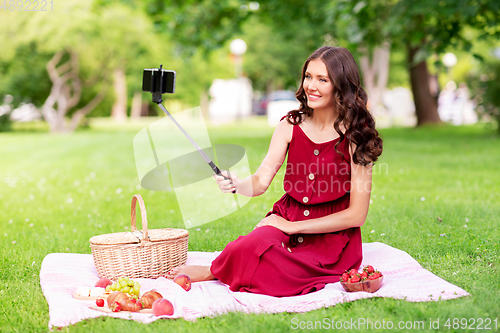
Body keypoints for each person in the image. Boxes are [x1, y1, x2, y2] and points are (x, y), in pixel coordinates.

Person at [167, 46, 383, 297]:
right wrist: (238, 183)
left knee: (280, 276)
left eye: (323, 79)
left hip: (332, 239)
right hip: (286, 218)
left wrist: (292, 228)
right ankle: (216, 269)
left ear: (341, 86)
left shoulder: (357, 135)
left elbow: (357, 215)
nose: (311, 86)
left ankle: (215, 271)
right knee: (252, 244)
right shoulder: (289, 125)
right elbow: (259, 182)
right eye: (308, 76)